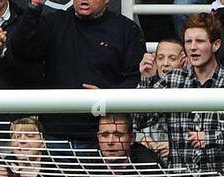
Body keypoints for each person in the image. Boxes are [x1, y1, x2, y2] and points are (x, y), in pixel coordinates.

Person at [11, 0, 145, 147]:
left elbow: (135, 80)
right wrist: (35, 6)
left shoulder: (126, 29)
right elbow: (20, 48)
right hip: (54, 135)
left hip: (103, 139)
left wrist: (107, 97)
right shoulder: (54, 22)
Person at [138, 13, 224, 174]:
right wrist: (146, 81)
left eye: (200, 41)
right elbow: (140, 121)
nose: (192, 47)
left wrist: (209, 139)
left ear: (216, 45)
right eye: (188, 41)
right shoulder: (172, 80)